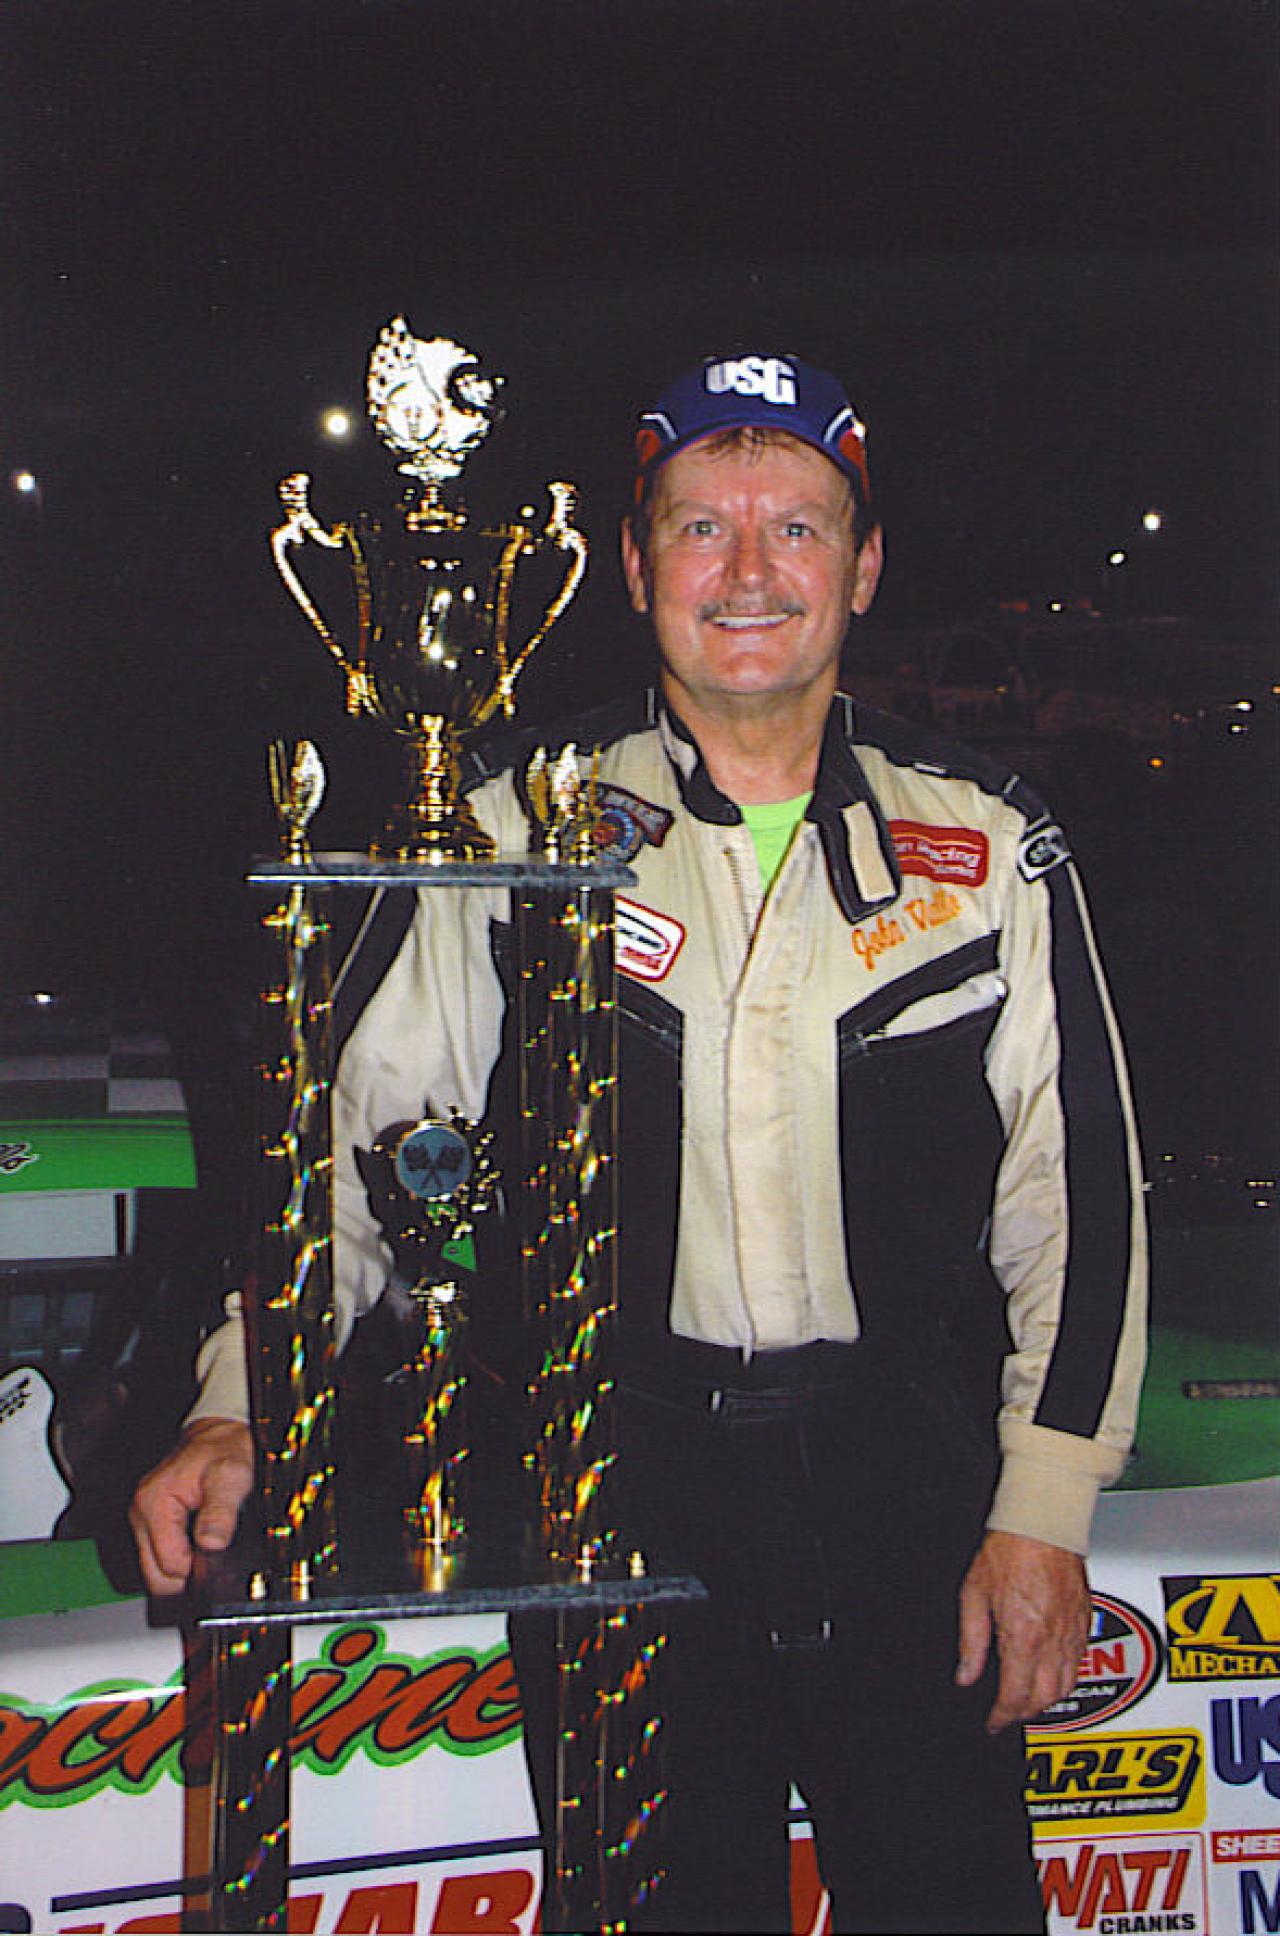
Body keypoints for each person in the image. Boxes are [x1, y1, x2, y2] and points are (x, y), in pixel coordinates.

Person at [131, 352, 1147, 1933]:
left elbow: (1075, 1198)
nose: (748, 572)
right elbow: (357, 1149)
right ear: (630, 564)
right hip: (612, 1478)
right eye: (699, 528)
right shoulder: (505, 827)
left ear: (864, 568)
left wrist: (1045, 1508)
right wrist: (237, 1408)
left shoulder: (991, 840)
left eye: (796, 528)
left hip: (910, 1486)